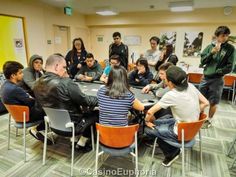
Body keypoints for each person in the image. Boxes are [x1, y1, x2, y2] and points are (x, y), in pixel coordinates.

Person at [145, 66, 209, 167]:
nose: (164, 80)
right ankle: (172, 146)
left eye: (165, 79)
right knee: (158, 122)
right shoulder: (191, 86)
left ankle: (172, 153)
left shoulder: (171, 95)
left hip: (181, 132)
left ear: (170, 82)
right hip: (193, 129)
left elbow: (149, 112)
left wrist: (146, 121)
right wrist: (194, 110)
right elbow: (206, 103)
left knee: (148, 129)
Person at [33, 54, 98, 152]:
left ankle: (75, 139)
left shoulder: (36, 83)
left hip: (54, 125)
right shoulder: (66, 83)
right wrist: (99, 99)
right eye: (64, 67)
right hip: (73, 126)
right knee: (96, 112)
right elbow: (86, 101)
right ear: (56, 66)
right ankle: (82, 141)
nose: (65, 70)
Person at [0, 61, 50, 143]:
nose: (22, 75)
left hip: (17, 115)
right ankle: (36, 129)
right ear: (13, 75)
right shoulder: (15, 89)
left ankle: (39, 128)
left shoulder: (5, 86)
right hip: (26, 116)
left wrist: (29, 96)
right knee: (51, 108)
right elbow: (31, 102)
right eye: (20, 73)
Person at [199, 26, 235, 128]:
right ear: (217, 36)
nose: (225, 38)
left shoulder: (230, 49)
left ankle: (209, 120)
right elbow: (202, 61)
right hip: (205, 78)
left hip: (217, 79)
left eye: (227, 36)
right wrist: (212, 53)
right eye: (223, 35)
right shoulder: (209, 47)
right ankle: (198, 117)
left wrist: (217, 72)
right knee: (201, 100)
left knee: (213, 102)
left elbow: (230, 66)